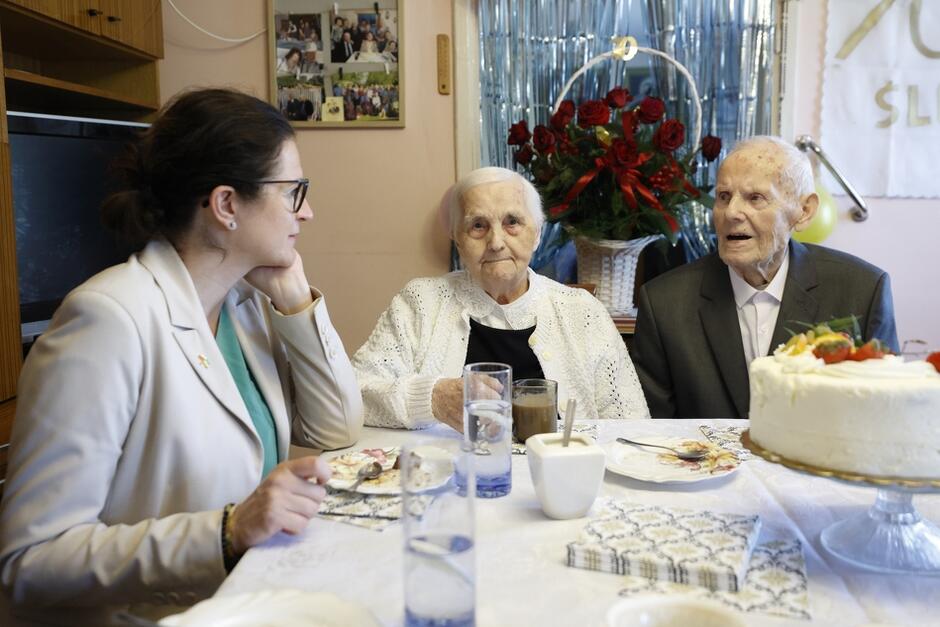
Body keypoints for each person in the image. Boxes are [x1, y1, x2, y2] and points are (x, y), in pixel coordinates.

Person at [0, 88, 364, 625]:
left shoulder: (244, 303)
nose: (306, 212)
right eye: (293, 191)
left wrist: (294, 297)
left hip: (243, 603)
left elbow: (336, 428)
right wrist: (226, 531)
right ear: (225, 205)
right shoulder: (107, 319)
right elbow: (30, 561)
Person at [353, 167, 650, 430]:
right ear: (458, 239)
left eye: (512, 222)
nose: (496, 243)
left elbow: (632, 424)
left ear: (537, 233)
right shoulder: (420, 302)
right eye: (478, 226)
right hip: (452, 482)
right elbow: (356, 392)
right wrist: (433, 398)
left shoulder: (583, 312)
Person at [632, 135, 898, 419]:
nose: (731, 212)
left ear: (804, 211)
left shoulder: (862, 292)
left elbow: (883, 418)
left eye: (755, 197)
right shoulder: (664, 303)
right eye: (724, 197)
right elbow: (651, 436)